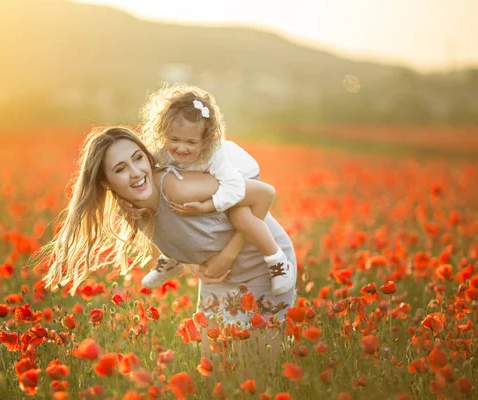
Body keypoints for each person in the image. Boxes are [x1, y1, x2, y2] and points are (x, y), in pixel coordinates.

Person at [39, 127, 298, 381]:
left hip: (264, 262)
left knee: (260, 369)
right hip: (218, 276)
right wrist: (197, 264)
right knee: (219, 369)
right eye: (120, 169)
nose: (136, 173)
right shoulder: (132, 209)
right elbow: (179, 239)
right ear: (106, 183)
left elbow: (264, 194)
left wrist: (226, 257)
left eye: (138, 158)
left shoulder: (175, 186)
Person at [138, 83, 295, 296]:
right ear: (164, 132)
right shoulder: (165, 152)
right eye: (174, 139)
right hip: (209, 182)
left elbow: (235, 189)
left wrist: (206, 207)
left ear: (205, 141)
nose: (181, 148)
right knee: (174, 203)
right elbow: (149, 166)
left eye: (191, 142)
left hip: (240, 178)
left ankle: (277, 261)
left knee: (240, 217)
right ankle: (172, 259)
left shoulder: (215, 156)